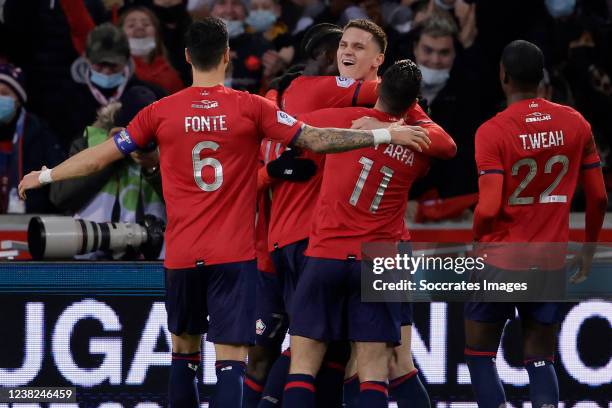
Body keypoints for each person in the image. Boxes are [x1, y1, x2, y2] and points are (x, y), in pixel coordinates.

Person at [18, 17, 433, 408]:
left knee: (185, 352)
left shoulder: (159, 112)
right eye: (344, 45)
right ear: (227, 55)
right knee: (243, 359)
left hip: (184, 254)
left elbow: (101, 157)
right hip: (239, 256)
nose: (347, 52)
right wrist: (385, 131)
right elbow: (319, 139)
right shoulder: (253, 108)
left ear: (185, 56)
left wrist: (47, 173)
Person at [281, 59, 456, 408]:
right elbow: (448, 146)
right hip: (380, 261)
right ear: (414, 102)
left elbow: (294, 124)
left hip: (326, 254)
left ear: (379, 88)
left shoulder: (343, 123)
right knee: (375, 371)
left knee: (302, 367)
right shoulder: (419, 148)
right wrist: (401, 127)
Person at [465, 40, 607, 408]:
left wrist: (479, 240)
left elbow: (489, 205)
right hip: (550, 260)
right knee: (539, 357)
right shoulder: (575, 123)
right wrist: (588, 250)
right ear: (542, 77)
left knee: (480, 355)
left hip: (500, 259)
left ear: (504, 76)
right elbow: (599, 198)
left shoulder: (492, 131)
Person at [49, 86, 164, 259]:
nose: (139, 141)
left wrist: (154, 167)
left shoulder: (170, 150)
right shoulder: (90, 144)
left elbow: (189, 204)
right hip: (89, 259)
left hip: (154, 262)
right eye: (134, 133)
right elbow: (59, 196)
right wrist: (108, 155)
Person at [0, 62, 65, 214]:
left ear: (18, 99)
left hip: (29, 222)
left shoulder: (39, 133)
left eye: (4, 93)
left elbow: (58, 179)